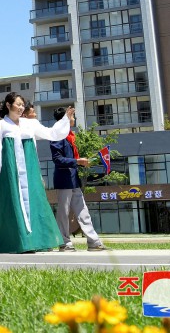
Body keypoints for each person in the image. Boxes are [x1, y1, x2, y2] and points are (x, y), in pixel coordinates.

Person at [0, 92, 74, 254]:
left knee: (35, 202)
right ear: (8, 105)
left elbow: (51, 134)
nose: (21, 108)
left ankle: (37, 241)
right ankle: (19, 243)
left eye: (22, 105)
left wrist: (65, 120)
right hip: (10, 172)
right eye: (18, 104)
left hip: (30, 170)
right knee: (13, 204)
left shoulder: (29, 124)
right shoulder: (0, 127)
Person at [50, 106, 109, 252]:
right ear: (65, 119)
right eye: (71, 116)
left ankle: (93, 241)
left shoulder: (70, 136)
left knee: (83, 210)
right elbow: (57, 159)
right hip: (64, 180)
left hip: (73, 179)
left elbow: (72, 159)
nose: (74, 119)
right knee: (63, 212)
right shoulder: (57, 135)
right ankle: (64, 243)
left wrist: (82, 162)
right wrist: (77, 161)